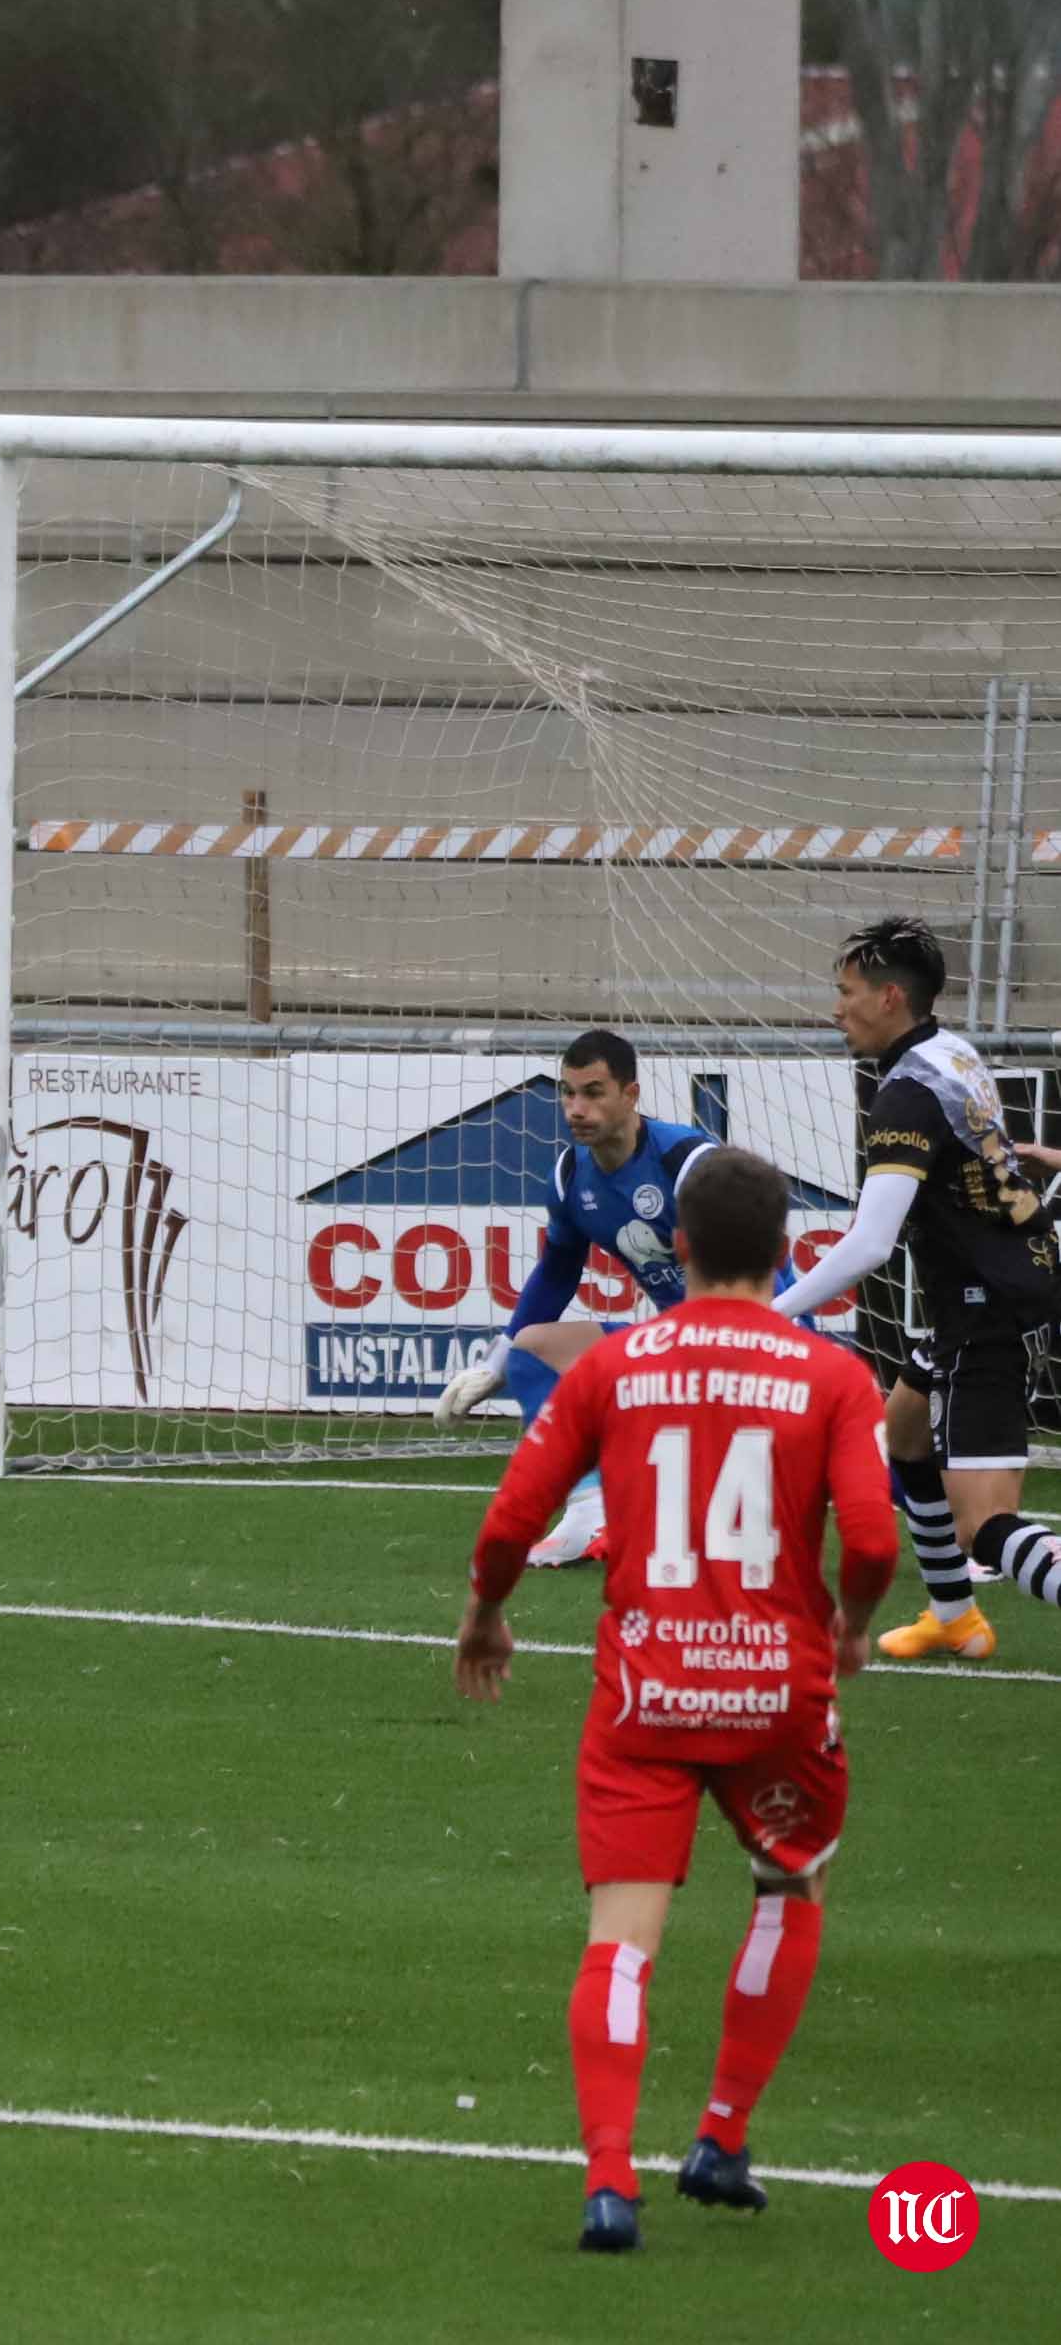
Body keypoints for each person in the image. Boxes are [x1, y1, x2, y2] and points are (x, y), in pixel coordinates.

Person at [460, 1146, 893, 2256]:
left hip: (647, 1693)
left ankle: (608, 2181)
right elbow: (875, 1534)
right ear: (789, 1251)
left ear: (680, 1247)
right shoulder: (832, 1375)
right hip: (775, 1701)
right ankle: (719, 2135)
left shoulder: (613, 1365)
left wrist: (485, 1613)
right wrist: (848, 1626)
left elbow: (512, 1518)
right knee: (785, 1886)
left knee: (620, 1940)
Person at [766, 915, 1061, 1661]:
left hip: (984, 1308)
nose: (836, 1007)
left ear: (890, 997)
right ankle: (951, 1614)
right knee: (902, 1422)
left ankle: (960, 1603)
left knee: (984, 1529)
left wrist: (763, 1317)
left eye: (846, 990)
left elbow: (867, 1244)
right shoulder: (948, 1048)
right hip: (1007, 1279)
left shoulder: (903, 1096)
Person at [435, 1029, 725, 1568]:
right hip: (676, 1344)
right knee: (530, 1349)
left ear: (631, 1095)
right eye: (568, 1093)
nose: (576, 1108)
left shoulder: (688, 1164)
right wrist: (493, 1366)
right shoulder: (572, 1176)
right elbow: (557, 1270)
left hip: (748, 1343)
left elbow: (764, 1268)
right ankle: (590, 1509)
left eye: (593, 1092)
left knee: (881, 1468)